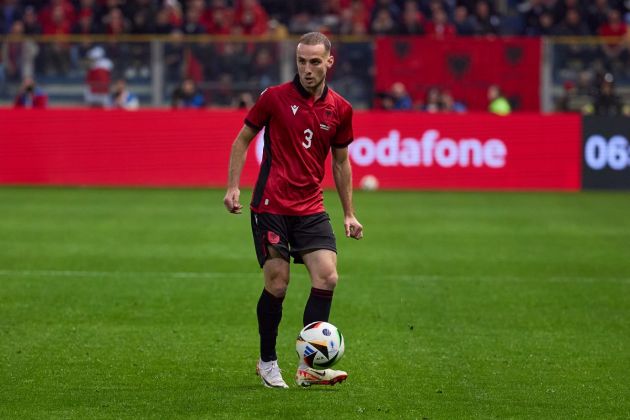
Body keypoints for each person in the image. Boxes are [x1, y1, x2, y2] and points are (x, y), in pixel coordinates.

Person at [223, 32, 363, 389]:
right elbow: (242, 140)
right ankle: (268, 362)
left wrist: (349, 212)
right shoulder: (274, 98)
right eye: (301, 61)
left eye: (315, 61)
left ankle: (309, 366)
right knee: (278, 282)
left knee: (328, 276)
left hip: (310, 206)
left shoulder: (340, 109)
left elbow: (341, 162)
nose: (307, 69)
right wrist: (233, 187)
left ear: (329, 61)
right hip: (270, 204)